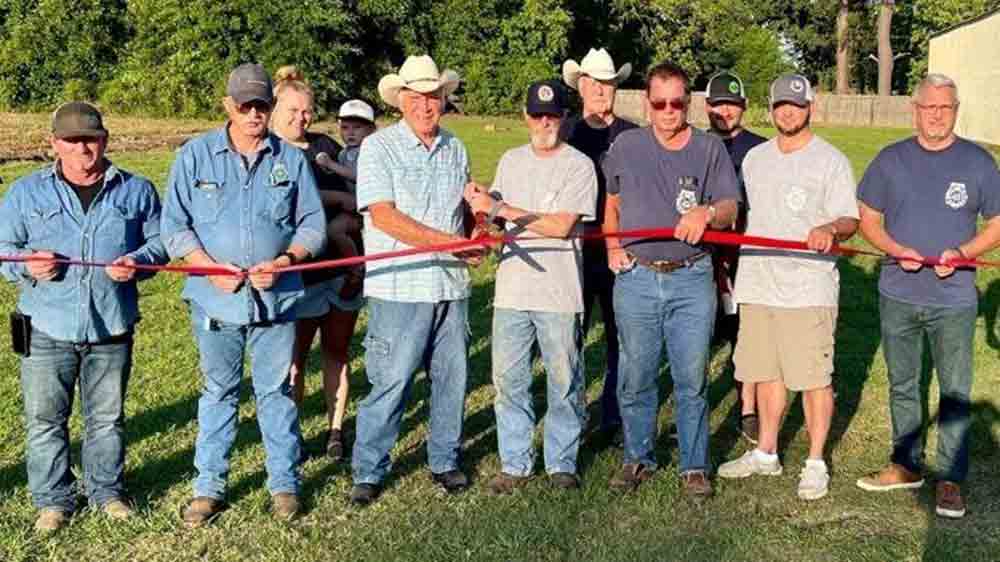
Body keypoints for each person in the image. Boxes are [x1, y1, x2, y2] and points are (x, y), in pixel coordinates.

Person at [161, 63, 326, 526]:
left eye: (262, 105)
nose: (254, 113)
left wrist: (288, 260)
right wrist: (206, 267)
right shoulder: (195, 156)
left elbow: (312, 223)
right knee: (219, 391)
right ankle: (208, 488)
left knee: (276, 391)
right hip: (215, 302)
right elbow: (174, 225)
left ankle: (284, 484)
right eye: (245, 105)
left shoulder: (290, 159)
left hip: (278, 300)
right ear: (228, 106)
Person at [0, 102, 168, 532]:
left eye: (90, 139)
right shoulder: (24, 193)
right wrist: (25, 264)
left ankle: (106, 492)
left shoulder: (137, 190)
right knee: (44, 420)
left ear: (105, 140)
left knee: (107, 418)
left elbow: (161, 244)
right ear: (55, 144)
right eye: (72, 141)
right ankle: (53, 500)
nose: (82, 149)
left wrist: (138, 261)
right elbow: (4, 251)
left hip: (110, 325)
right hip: (45, 327)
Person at [854, 73, 1000, 519]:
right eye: (928, 107)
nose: (936, 115)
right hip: (898, 292)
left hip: (953, 298)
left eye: (945, 108)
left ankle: (951, 479)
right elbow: (868, 219)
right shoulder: (890, 159)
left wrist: (963, 251)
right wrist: (898, 250)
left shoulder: (978, 162)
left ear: (956, 110)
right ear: (914, 109)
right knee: (902, 384)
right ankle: (905, 464)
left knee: (954, 389)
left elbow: (997, 223)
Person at [717, 74, 859, 501]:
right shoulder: (755, 160)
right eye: (780, 105)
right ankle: (766, 451)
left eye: (795, 105)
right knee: (766, 372)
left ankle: (816, 461)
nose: (788, 112)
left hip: (808, 289)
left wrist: (830, 227)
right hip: (759, 283)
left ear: (809, 107)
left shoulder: (830, 160)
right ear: (771, 107)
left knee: (814, 377)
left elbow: (850, 221)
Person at [602, 62, 741, 499]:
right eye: (659, 102)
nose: (667, 111)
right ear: (647, 102)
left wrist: (707, 213)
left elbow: (731, 208)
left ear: (688, 103)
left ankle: (693, 465)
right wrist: (612, 247)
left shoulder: (708, 149)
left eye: (676, 102)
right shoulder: (625, 145)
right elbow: (613, 203)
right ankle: (637, 457)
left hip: (692, 277)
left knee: (690, 377)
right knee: (637, 374)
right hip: (637, 277)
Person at [349, 55, 482, 505]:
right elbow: (385, 216)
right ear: (400, 101)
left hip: (450, 286)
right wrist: (451, 244)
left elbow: (463, 212)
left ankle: (445, 460)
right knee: (392, 380)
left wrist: (478, 229)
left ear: (444, 99)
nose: (426, 105)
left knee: (451, 379)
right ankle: (369, 469)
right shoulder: (378, 148)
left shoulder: (456, 148)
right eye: (417, 97)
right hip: (399, 287)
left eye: (434, 96)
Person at [465, 80, 597, 494]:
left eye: (553, 114)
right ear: (525, 117)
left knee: (564, 380)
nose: (545, 122)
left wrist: (500, 208)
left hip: (558, 293)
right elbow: (495, 221)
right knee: (509, 381)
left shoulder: (579, 166)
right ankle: (515, 464)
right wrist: (482, 218)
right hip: (511, 292)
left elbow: (560, 227)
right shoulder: (510, 160)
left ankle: (561, 463)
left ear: (564, 118)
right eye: (538, 114)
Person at [269, 66, 364, 461]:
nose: (301, 118)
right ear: (275, 109)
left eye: (307, 111)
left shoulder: (324, 146)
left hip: (338, 271)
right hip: (297, 277)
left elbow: (355, 200)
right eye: (292, 110)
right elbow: (281, 211)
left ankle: (336, 430)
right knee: (293, 360)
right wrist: (332, 203)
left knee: (337, 354)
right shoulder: (267, 152)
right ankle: (289, 437)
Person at [560, 48, 638, 440]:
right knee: (570, 336)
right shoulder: (564, 132)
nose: (600, 90)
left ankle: (613, 412)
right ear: (580, 87)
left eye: (607, 83)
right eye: (592, 83)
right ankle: (571, 413)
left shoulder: (633, 134)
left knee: (618, 335)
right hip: (572, 249)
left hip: (619, 247)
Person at [704, 70, 768, 443]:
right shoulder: (693, 144)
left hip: (747, 254)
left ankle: (748, 408)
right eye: (717, 104)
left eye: (731, 103)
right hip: (703, 253)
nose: (724, 111)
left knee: (746, 334)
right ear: (707, 107)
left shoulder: (761, 150)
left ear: (743, 107)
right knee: (697, 333)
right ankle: (695, 405)